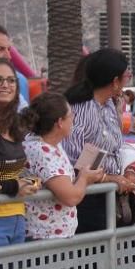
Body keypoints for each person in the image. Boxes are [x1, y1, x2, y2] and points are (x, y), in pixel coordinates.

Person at [62, 49, 135, 233]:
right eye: (126, 75)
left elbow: (114, 148)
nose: (128, 79)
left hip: (108, 197)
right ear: (114, 81)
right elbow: (74, 161)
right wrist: (109, 178)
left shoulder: (109, 104)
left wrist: (128, 170)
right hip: (87, 200)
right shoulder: (81, 109)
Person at [21, 92, 104, 240]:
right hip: (45, 238)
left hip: (52, 236)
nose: (73, 119)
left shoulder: (47, 144)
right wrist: (85, 179)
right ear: (59, 122)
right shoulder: (43, 152)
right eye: (71, 115)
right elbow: (71, 197)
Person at [0, 58, 38, 245]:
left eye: (10, 80)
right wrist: (15, 186)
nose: (5, 85)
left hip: (18, 218)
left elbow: (23, 172)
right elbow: (14, 182)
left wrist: (33, 182)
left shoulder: (17, 126)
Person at [0, 26, 29, 109]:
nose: (8, 56)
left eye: (8, 49)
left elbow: (23, 113)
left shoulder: (19, 80)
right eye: (0, 49)